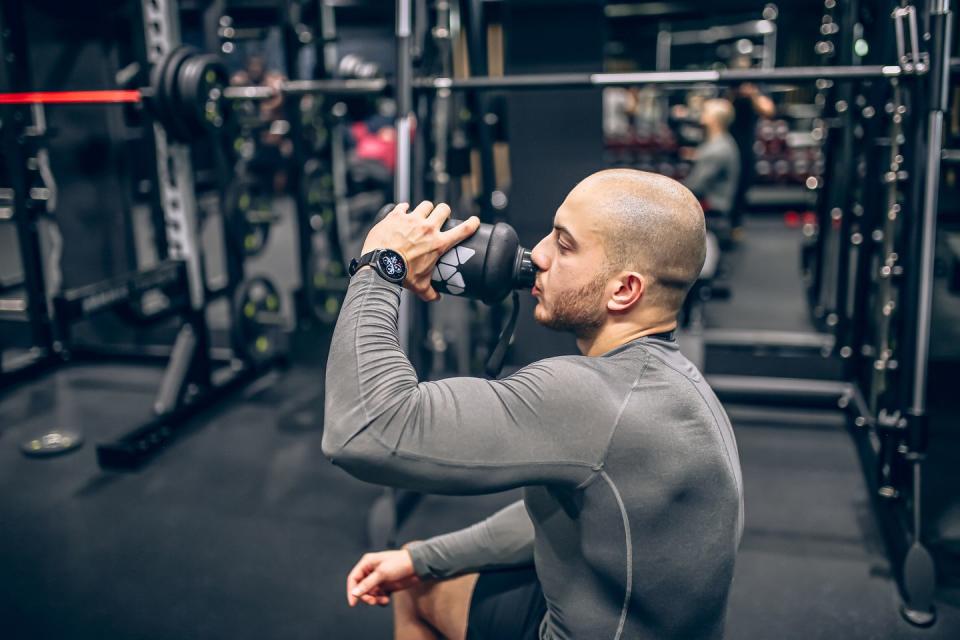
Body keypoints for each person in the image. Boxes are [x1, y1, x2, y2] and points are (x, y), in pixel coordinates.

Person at [322, 169, 744, 640]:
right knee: (421, 576)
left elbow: (360, 428)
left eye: (564, 246)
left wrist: (383, 267)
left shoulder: (589, 397)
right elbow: (553, 515)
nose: (538, 253)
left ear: (624, 290)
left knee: (416, 596)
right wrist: (420, 558)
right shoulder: (677, 383)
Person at [682, 98, 741, 232]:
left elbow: (695, 186)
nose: (701, 114)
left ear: (714, 119)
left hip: (713, 214)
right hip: (714, 209)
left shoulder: (718, 149)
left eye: (705, 111)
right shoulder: (722, 142)